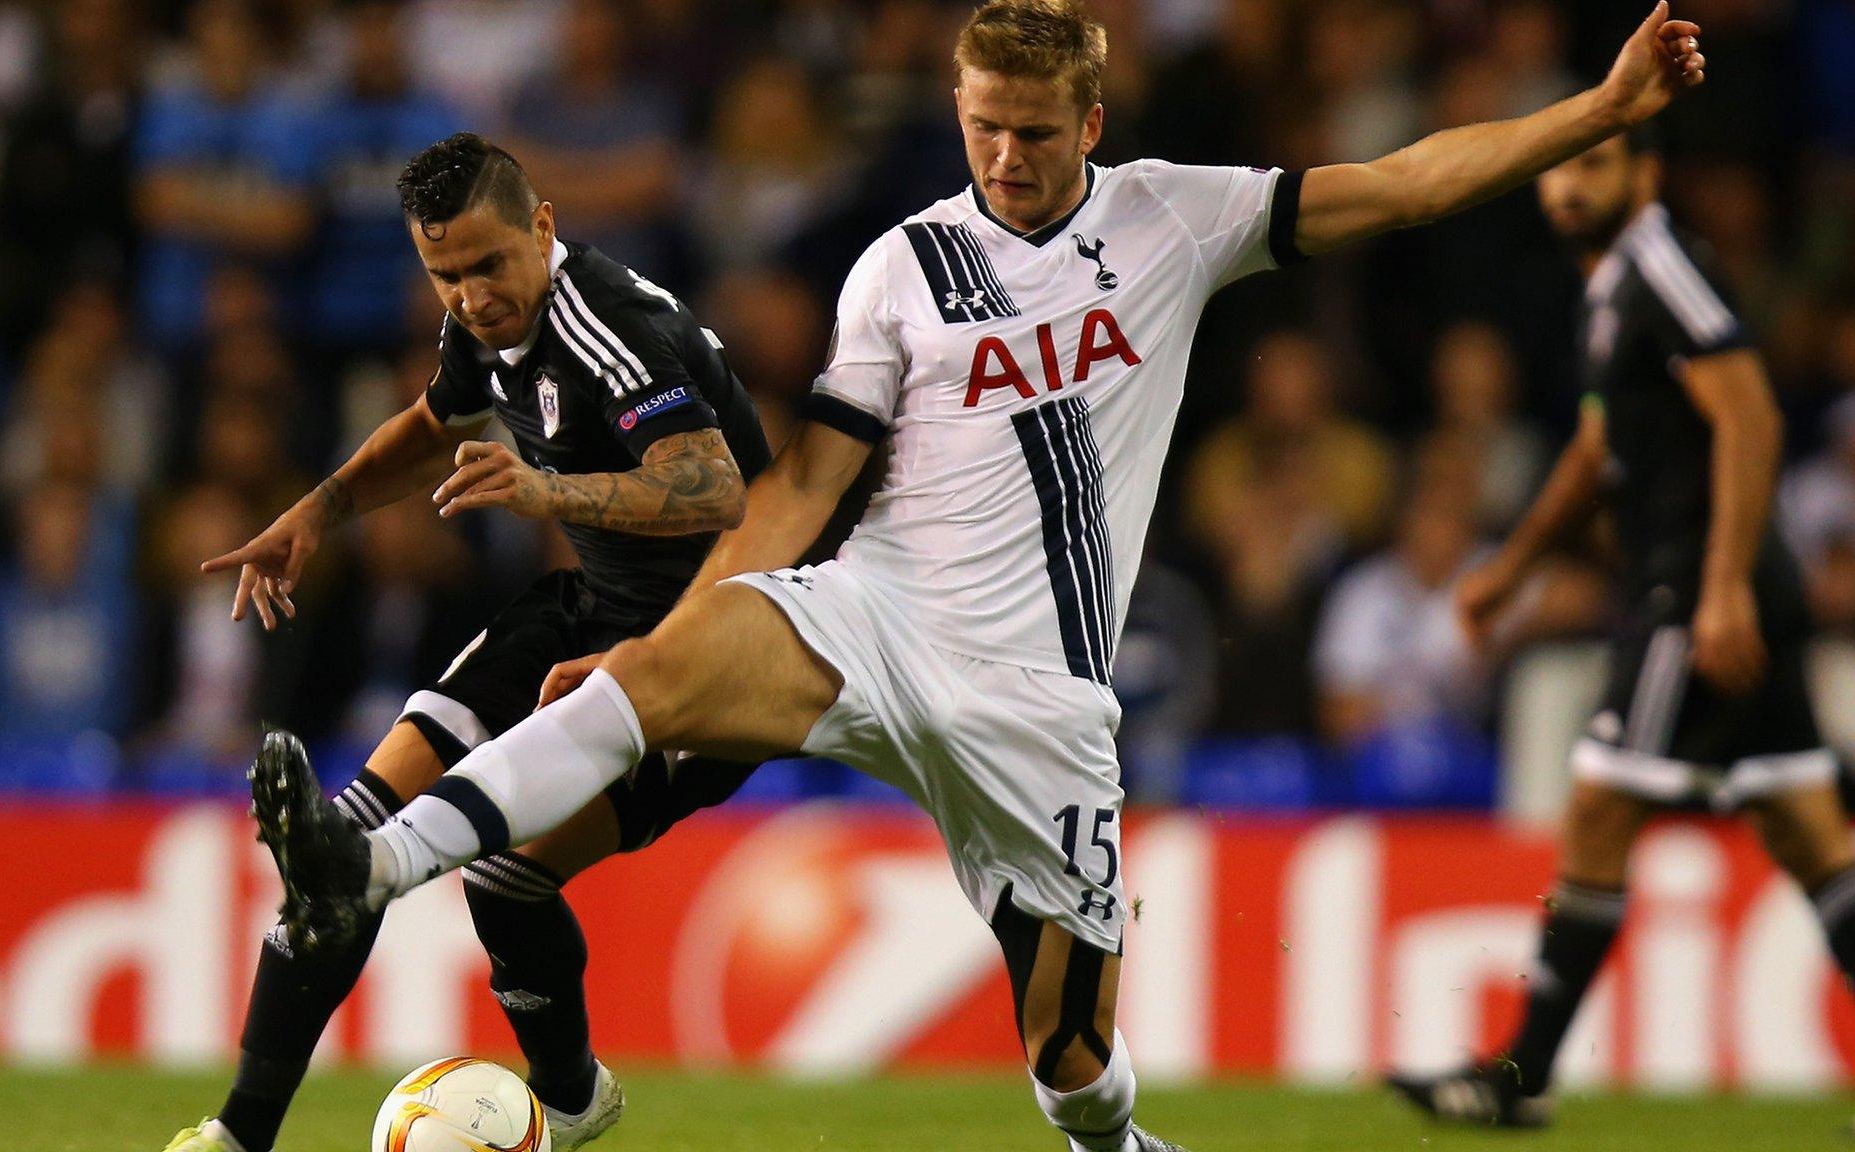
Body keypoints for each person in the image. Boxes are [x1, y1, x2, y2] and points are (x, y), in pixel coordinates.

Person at [253, 5, 1708, 1149]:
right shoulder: (898, 268)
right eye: (980, 129)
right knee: (650, 670)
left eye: (1030, 131)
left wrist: (1600, 109)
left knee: (1071, 1070)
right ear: (956, 114)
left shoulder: (1172, 221)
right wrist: (679, 638)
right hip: (874, 617)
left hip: (1040, 702)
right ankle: (364, 861)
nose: (1004, 158)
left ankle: (1117, 1142)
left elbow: (1401, 186)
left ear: (1088, 116)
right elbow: (812, 484)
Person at [162, 132, 768, 1152]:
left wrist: (548, 488)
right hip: (584, 606)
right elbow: (435, 420)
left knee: (505, 875)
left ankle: (573, 1100)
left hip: (707, 656)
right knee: (340, 850)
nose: (471, 294)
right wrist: (318, 510)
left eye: (488, 264)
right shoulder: (480, 329)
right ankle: (236, 1135)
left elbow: (717, 484)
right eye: (444, 274)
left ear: (542, 226)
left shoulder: (608, 329)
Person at [1388, 124, 1855, 1129]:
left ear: (1644, 173)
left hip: (1691, 597)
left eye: (1593, 163)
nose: (1567, 186)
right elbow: (1599, 447)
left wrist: (1720, 585)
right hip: (1703, 593)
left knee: (1598, 809)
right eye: (1558, 167)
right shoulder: (1606, 289)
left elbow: (1751, 415)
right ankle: (1515, 1080)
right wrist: (1506, 569)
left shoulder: (1660, 264)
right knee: (1813, 840)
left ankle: (1515, 1079)